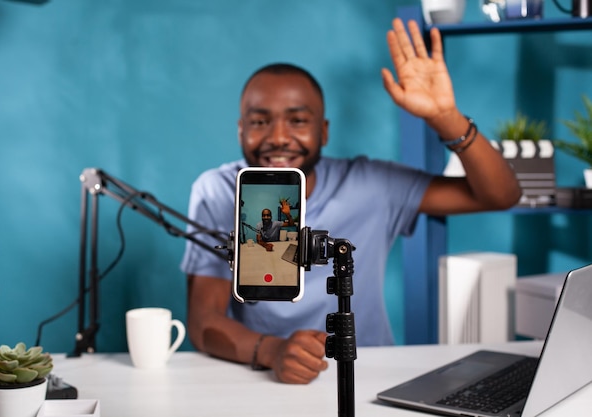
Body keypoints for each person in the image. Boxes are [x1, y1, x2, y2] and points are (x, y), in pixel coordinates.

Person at [181, 18, 521, 385]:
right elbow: (204, 320)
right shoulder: (218, 191)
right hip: (269, 375)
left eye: (297, 121)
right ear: (241, 130)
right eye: (260, 122)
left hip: (369, 373)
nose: (278, 137)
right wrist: (273, 351)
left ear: (323, 131)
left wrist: (446, 119)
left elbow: (501, 195)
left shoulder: (371, 184)